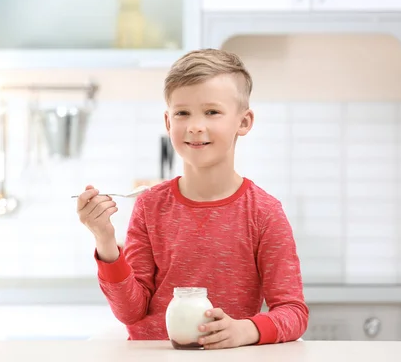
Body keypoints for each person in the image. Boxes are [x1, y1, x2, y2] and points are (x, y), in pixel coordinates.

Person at [76, 48, 308, 349]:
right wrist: (105, 240)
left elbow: (294, 311)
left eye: (212, 112)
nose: (195, 126)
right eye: (182, 113)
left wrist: (245, 330)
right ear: (168, 122)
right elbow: (131, 312)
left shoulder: (265, 212)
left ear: (244, 122)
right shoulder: (149, 206)